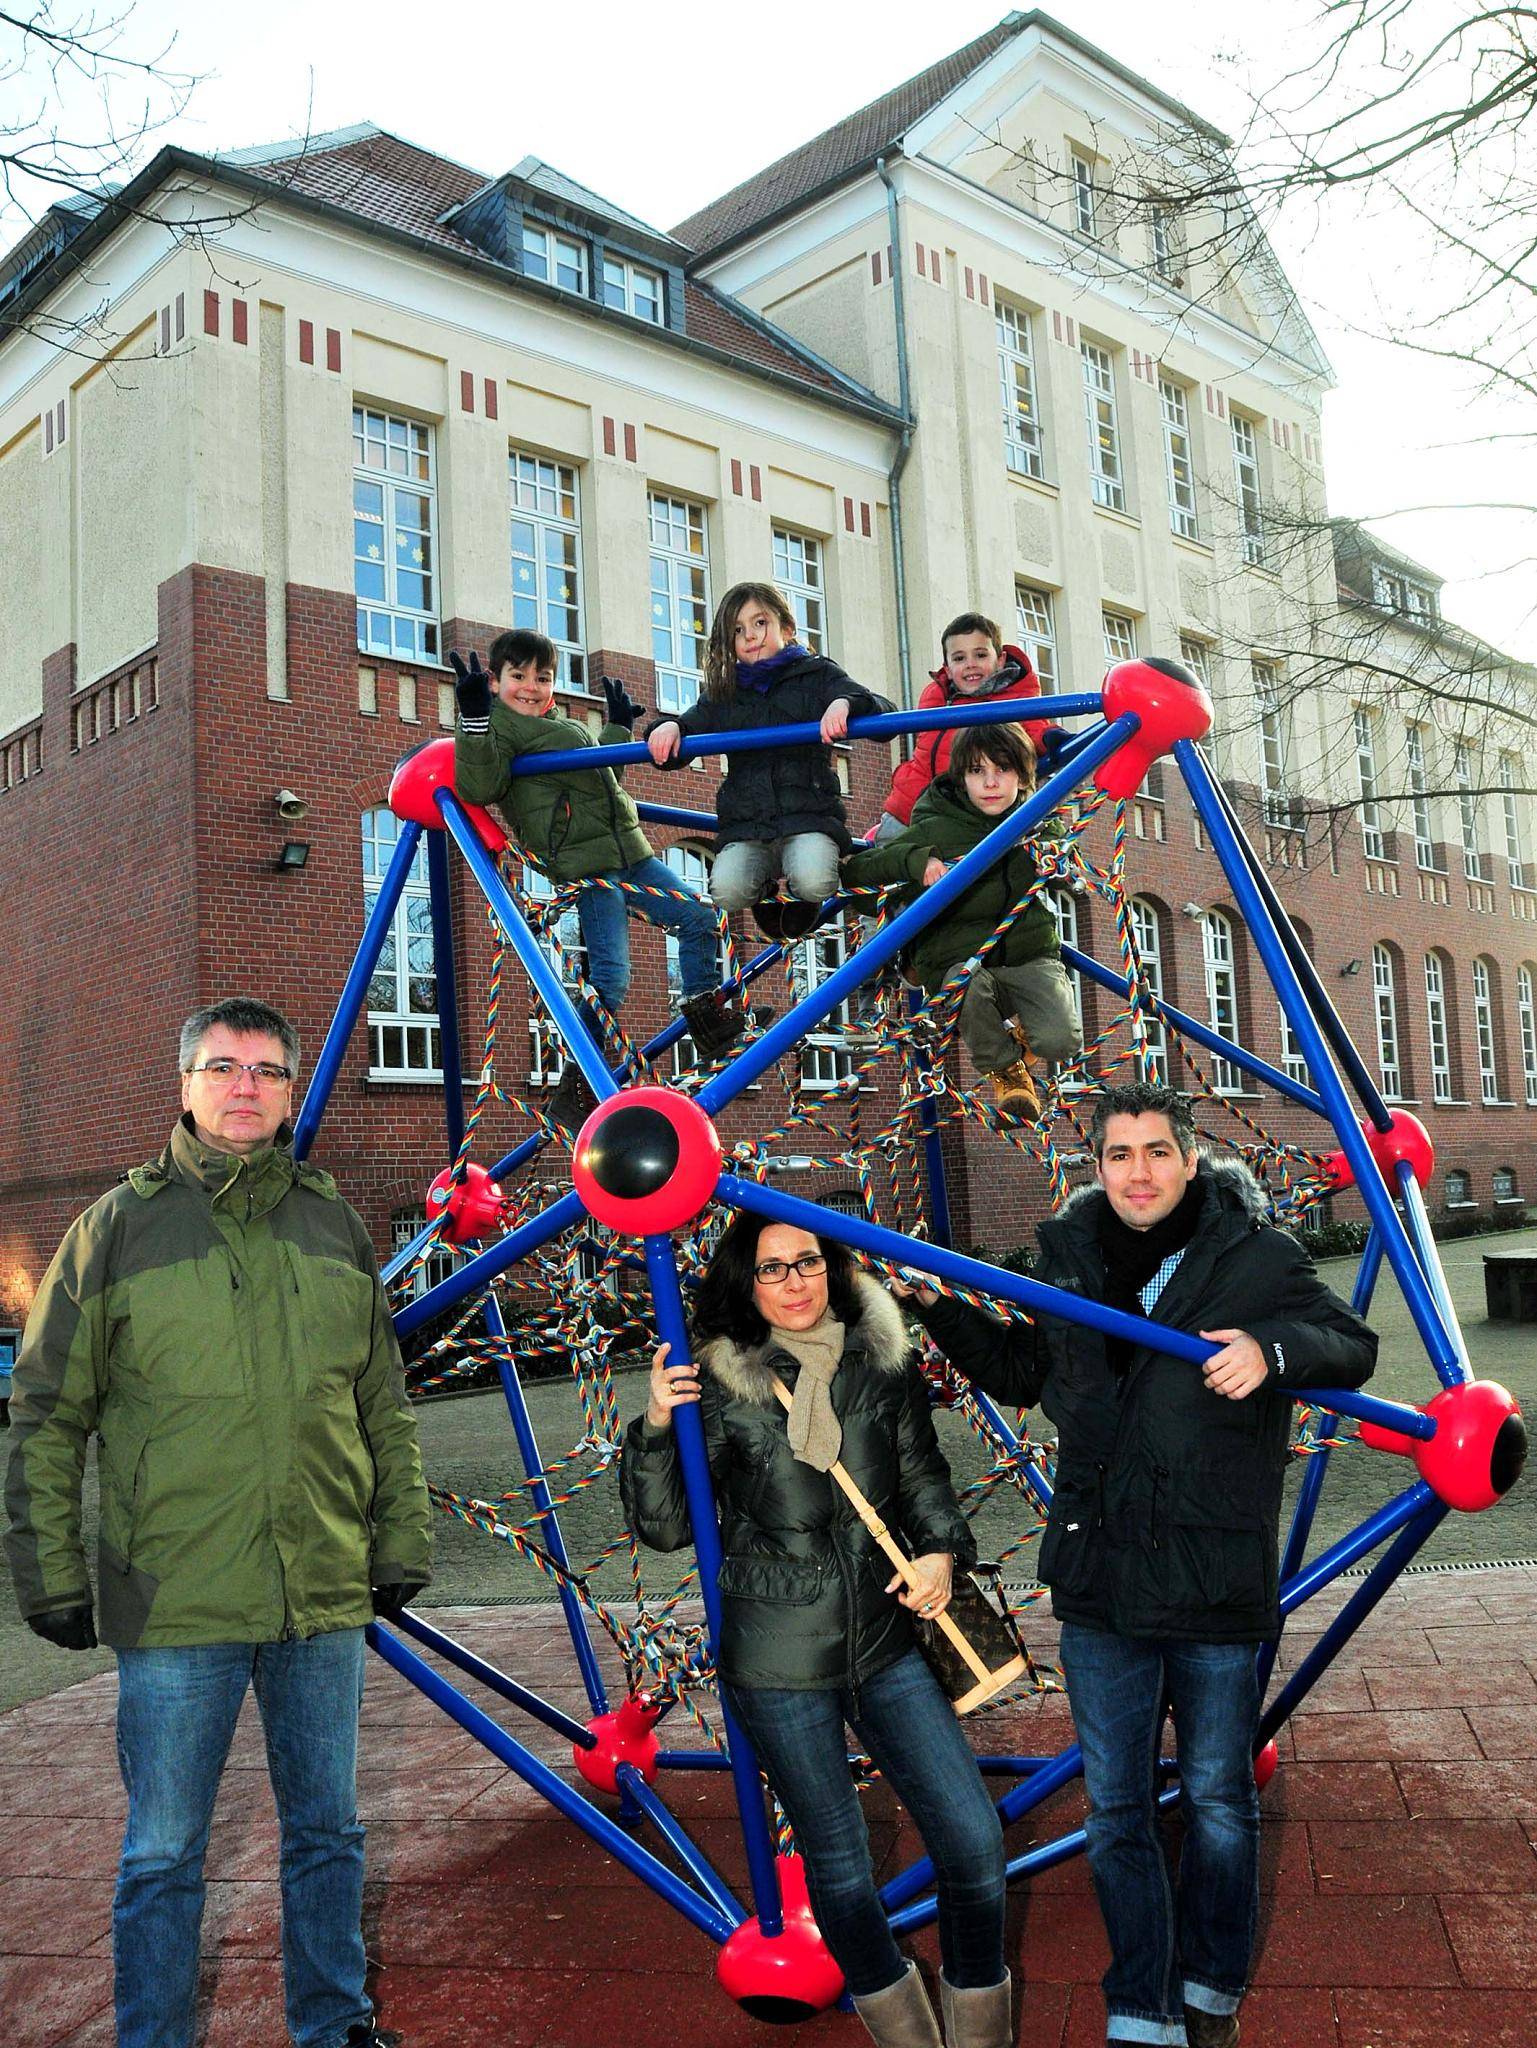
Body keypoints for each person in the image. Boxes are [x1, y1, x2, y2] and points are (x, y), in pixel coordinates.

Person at [897, 1082, 1377, 2048]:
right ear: (1098, 1167)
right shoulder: (1068, 1256)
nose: (1139, 1173)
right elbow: (1028, 1372)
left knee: (1217, 1801)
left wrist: (1271, 1351)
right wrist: (938, 1309)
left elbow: (1351, 1345)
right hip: (1103, 1575)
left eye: (1157, 1152)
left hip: (1212, 1570)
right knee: (1116, 1808)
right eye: (1120, 1155)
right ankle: (1142, 2007)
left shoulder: (1255, 1255)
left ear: (1190, 1160)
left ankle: (1210, 1988)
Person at [4, 997, 431, 2048]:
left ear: (289, 1093)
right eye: (224, 1066)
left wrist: (399, 1538)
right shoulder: (114, 1229)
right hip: (176, 1599)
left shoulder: (332, 1222)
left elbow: (380, 1401)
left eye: (267, 1070)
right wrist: (49, 1571)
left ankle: (333, 2025)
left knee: (328, 1832)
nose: (246, 1086)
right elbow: (47, 1416)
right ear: (185, 1085)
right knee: (163, 1851)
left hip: (320, 1591)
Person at [620, 1213, 1012, 2048]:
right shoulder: (718, 1381)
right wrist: (654, 1425)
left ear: (832, 1268)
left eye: (807, 1262)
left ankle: (979, 2028)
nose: (794, 1282)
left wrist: (940, 1552)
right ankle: (905, 2033)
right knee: (836, 1860)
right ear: (745, 1283)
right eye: (771, 1269)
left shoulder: (879, 1363)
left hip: (884, 1636)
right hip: (776, 1653)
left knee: (973, 1841)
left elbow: (921, 1477)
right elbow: (664, 1527)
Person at [451, 628, 750, 1126]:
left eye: (542, 678)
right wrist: (475, 718)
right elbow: (478, 785)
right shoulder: (497, 731)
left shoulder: (560, 724)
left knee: (699, 917)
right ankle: (577, 1084)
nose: (531, 688)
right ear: (494, 681)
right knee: (610, 978)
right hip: (587, 866)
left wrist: (616, 730)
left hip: (628, 851)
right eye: (518, 676)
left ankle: (706, 1018)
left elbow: (600, 783)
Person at [843, 722, 1081, 1118]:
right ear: (961, 777)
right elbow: (857, 876)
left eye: (1003, 769)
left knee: (1061, 1041)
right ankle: (1006, 1072)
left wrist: (1059, 863)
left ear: (1023, 775)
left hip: (1026, 952)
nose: (990, 783)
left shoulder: (1036, 820)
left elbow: (1066, 862)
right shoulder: (938, 824)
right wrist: (917, 861)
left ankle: (1023, 1038)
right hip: (959, 959)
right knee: (964, 982)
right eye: (976, 771)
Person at [645, 581, 891, 940]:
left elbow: (881, 710)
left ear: (787, 628)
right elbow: (689, 727)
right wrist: (668, 728)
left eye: (760, 623)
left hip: (807, 817)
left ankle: (805, 893)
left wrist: (845, 704)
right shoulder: (726, 692)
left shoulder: (816, 675)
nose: (750, 636)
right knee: (727, 891)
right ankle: (764, 889)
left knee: (815, 879)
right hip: (749, 826)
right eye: (738, 630)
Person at [872, 612, 1049, 845]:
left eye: (980, 655)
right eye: (959, 658)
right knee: (888, 852)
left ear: (1001, 660)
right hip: (910, 802)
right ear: (947, 668)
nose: (970, 664)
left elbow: (1035, 727)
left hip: (962, 812)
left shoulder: (1013, 697)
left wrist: (1052, 738)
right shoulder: (935, 695)